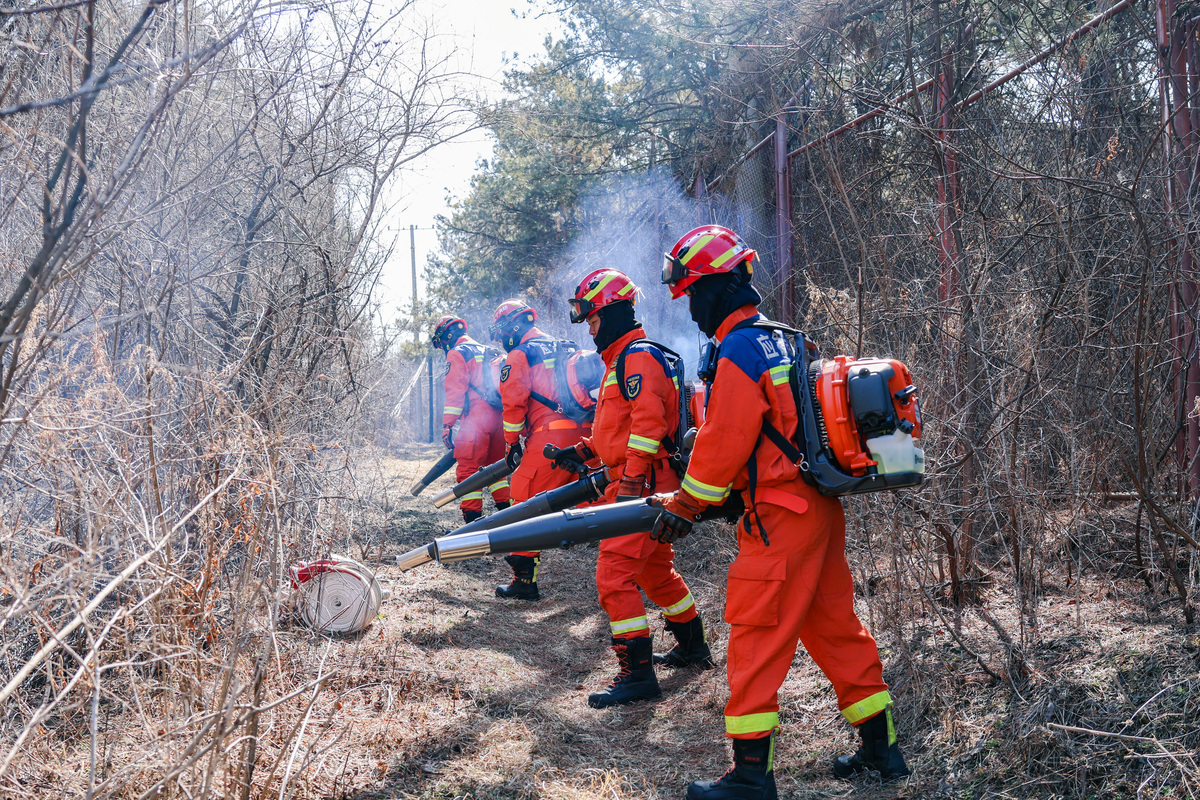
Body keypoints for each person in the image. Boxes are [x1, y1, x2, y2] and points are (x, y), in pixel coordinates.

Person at [649, 225, 910, 800]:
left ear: (716, 288)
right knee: (837, 630)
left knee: (754, 637)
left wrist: (687, 504)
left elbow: (725, 440)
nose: (690, 307)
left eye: (693, 293)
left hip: (779, 519)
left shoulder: (740, 348)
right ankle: (881, 749)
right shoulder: (791, 340)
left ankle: (749, 778)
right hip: (818, 508)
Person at [551, 268, 713, 709]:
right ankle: (693, 648)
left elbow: (648, 428)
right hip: (642, 479)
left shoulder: (636, 358)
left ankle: (636, 673)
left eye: (593, 319)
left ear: (612, 311)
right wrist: (583, 453)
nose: (591, 329)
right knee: (654, 571)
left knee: (613, 575)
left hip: (642, 483)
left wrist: (631, 482)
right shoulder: (621, 360)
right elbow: (620, 431)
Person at [491, 299, 592, 600]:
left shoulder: (519, 356)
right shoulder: (566, 346)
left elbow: (513, 406)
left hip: (551, 437)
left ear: (512, 327)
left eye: (501, 332)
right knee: (593, 494)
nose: (501, 340)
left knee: (523, 497)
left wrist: (511, 444)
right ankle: (629, 562)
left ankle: (524, 580)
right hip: (587, 434)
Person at [431, 316, 511, 524]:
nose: (443, 348)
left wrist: (448, 424)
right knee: (496, 471)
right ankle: (509, 518)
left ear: (447, 337)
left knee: (468, 471)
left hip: (477, 421)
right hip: (500, 419)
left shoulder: (458, 353)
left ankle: (473, 527)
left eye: (441, 343)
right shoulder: (490, 350)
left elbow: (455, 392)